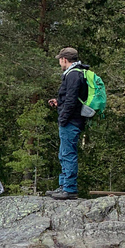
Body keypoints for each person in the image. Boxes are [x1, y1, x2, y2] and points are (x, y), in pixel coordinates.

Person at [46, 47, 89, 200]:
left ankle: (69, 188)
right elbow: (73, 98)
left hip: (71, 121)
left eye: (60, 59)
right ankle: (64, 185)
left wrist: (63, 118)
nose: (59, 62)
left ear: (64, 59)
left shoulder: (73, 75)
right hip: (73, 118)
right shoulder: (77, 73)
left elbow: (71, 100)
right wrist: (59, 102)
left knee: (68, 154)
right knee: (64, 153)